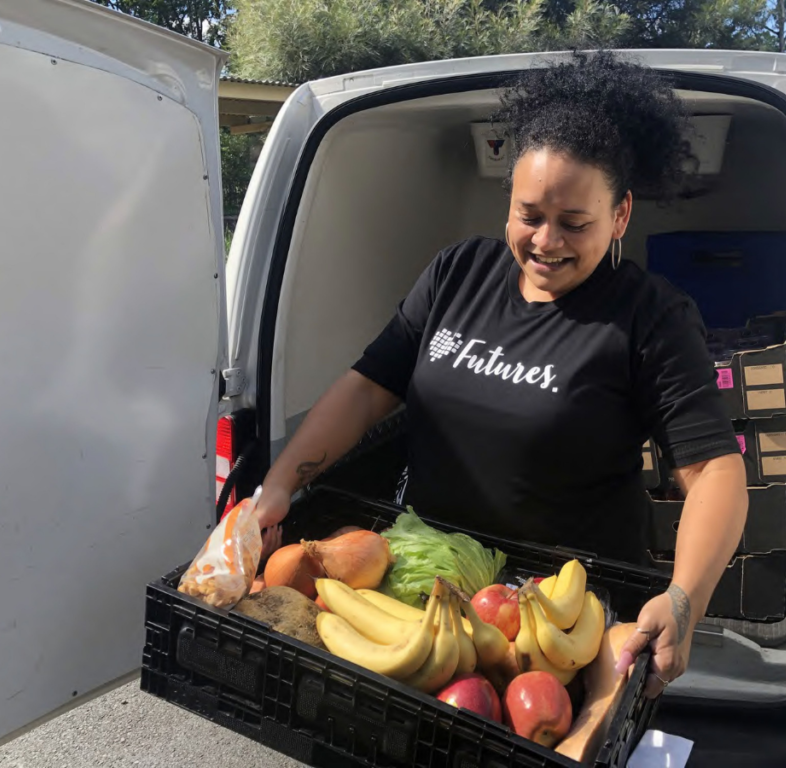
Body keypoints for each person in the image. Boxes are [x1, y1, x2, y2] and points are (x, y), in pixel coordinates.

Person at [254, 51, 748, 697]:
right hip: (430, 577)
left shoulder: (649, 317)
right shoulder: (458, 273)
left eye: (575, 223)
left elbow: (713, 469)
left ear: (621, 215)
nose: (546, 241)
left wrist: (685, 599)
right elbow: (369, 386)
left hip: (563, 610)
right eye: (529, 215)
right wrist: (279, 486)